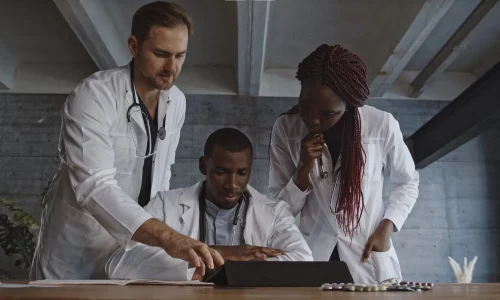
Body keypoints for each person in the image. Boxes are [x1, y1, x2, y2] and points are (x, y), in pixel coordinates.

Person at [31, 1, 223, 280]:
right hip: (76, 248)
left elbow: (162, 173)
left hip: (134, 250)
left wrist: (160, 240)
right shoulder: (94, 95)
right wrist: (168, 237)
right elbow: (93, 186)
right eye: (161, 54)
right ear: (133, 46)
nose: (172, 67)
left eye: (180, 56)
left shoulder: (177, 101)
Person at [268, 44, 419, 284]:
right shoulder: (286, 129)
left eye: (328, 113)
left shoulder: (381, 125)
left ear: (349, 105)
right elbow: (279, 209)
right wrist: (302, 170)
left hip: (368, 256)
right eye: (305, 106)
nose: (313, 119)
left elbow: (408, 182)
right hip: (316, 256)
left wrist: (387, 227)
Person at [106, 128, 313, 281]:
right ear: (204, 166)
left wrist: (230, 270)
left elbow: (303, 261)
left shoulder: (275, 212)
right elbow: (118, 262)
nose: (232, 185)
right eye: (221, 172)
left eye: (242, 173)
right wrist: (224, 253)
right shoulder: (166, 203)